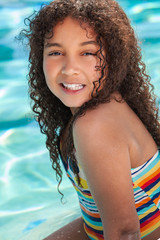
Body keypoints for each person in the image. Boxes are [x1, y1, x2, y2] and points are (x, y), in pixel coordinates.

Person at [20, 0, 160, 239]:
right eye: (55, 52)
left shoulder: (94, 125)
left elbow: (125, 232)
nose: (69, 68)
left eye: (87, 52)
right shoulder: (101, 105)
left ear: (114, 58)